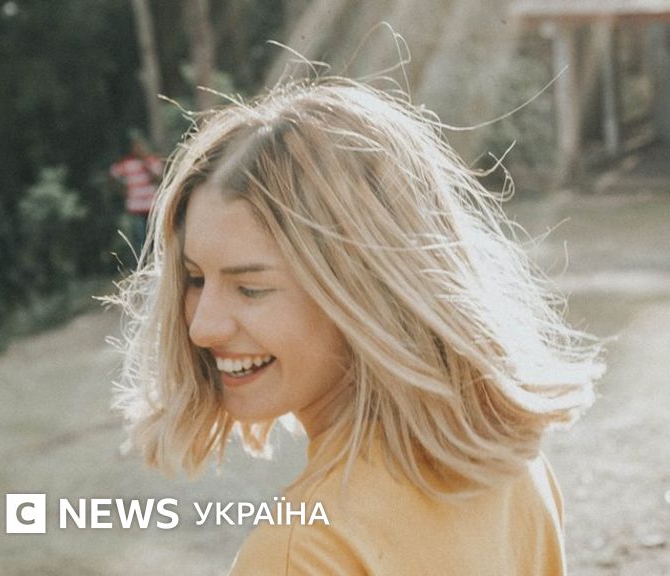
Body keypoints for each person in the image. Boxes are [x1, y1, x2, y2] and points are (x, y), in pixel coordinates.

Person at [109, 77, 603, 575]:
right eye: (195, 279)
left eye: (251, 288)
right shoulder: (510, 464)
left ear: (364, 292)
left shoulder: (300, 553)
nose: (202, 329)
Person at [109, 134, 163, 254]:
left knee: (155, 238)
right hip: (135, 208)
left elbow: (159, 177)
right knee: (139, 240)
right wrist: (121, 190)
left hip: (152, 207)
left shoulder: (152, 161)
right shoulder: (127, 163)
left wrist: (145, 163)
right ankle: (140, 262)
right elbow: (113, 173)